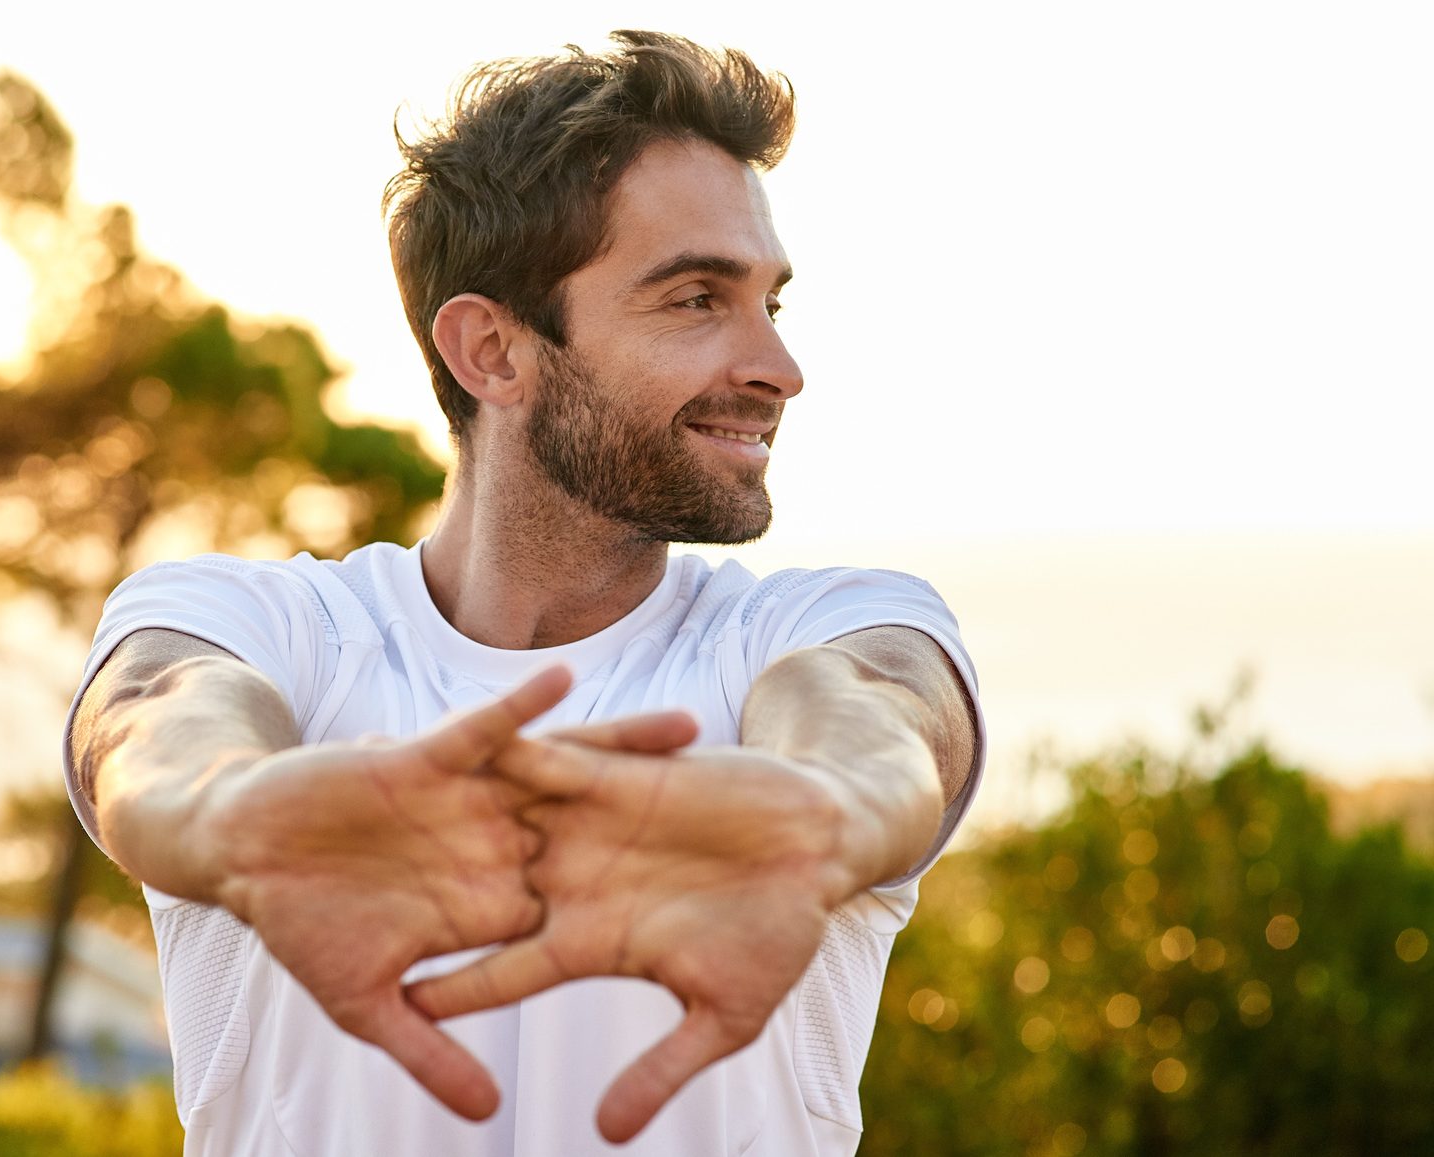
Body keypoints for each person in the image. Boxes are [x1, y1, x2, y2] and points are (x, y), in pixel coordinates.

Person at [62, 29, 985, 1157]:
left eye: (769, 305)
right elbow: (157, 714)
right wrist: (226, 814)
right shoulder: (265, 629)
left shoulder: (808, 630)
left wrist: (831, 813)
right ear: (491, 351)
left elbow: (882, 710)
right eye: (696, 299)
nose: (777, 368)